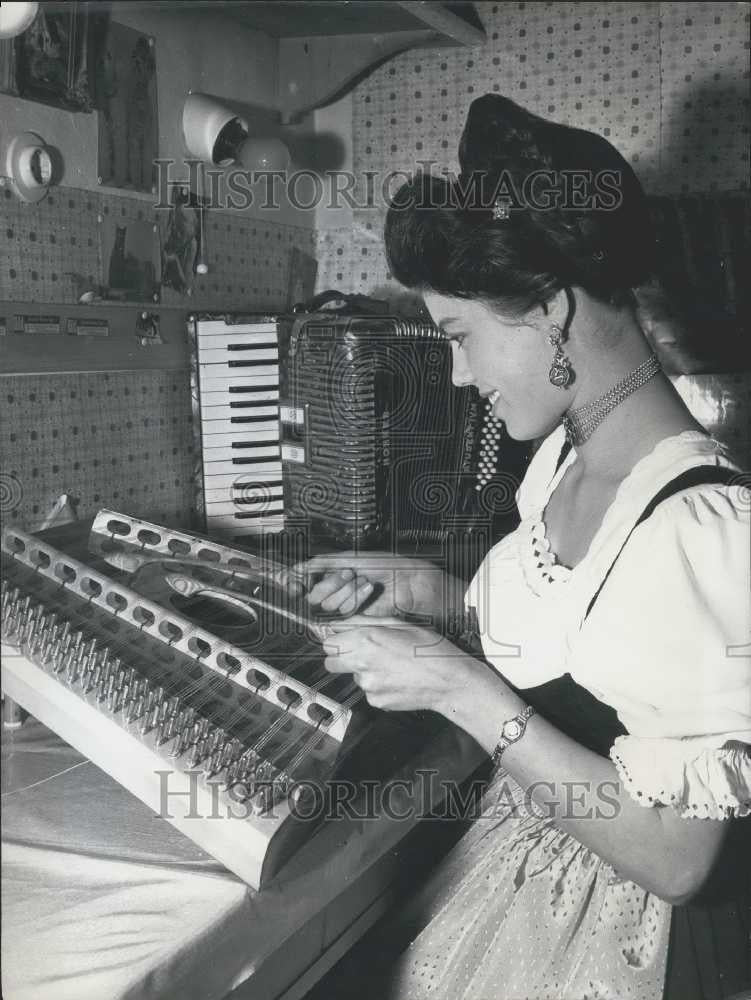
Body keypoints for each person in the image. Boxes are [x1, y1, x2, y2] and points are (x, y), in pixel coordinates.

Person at [291, 95, 751, 1000]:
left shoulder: (699, 533)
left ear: (548, 308)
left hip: (628, 935)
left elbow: (680, 860)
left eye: (460, 337)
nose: (459, 377)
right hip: (532, 857)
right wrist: (433, 594)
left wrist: (461, 692)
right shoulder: (562, 464)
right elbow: (582, 650)